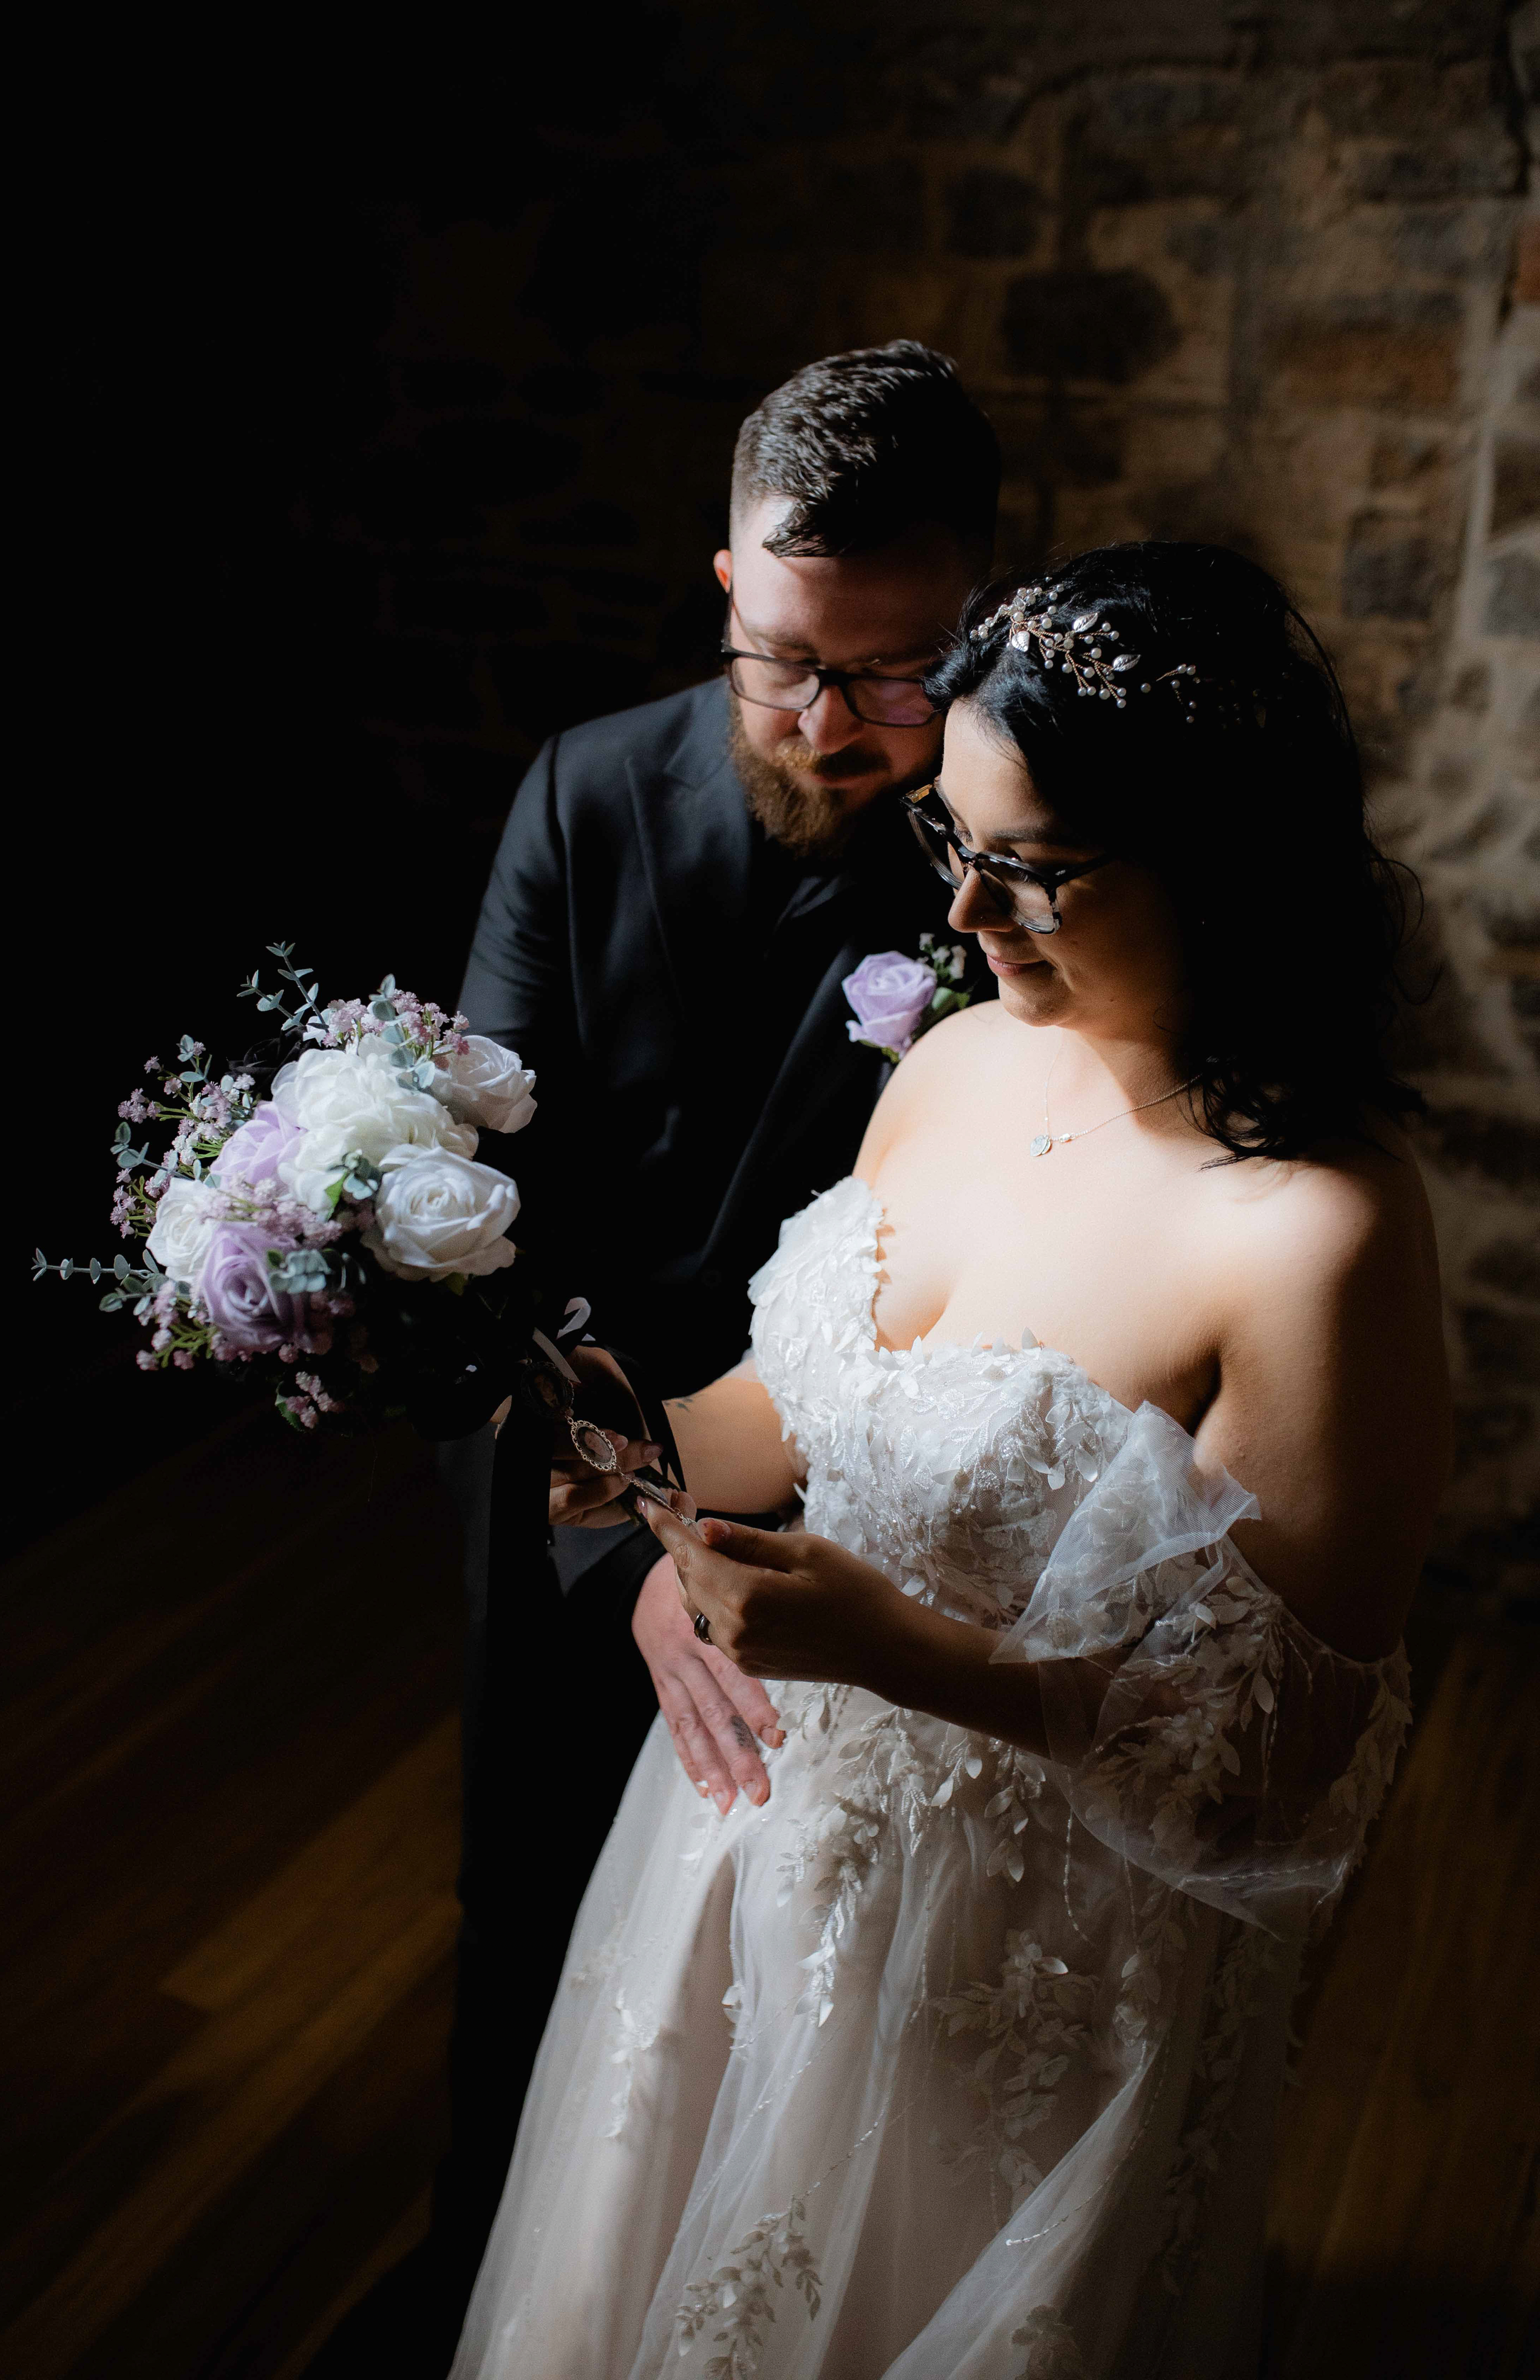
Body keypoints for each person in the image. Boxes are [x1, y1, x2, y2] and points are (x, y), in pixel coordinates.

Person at [450, 541, 1451, 2378]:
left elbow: (1281, 1773)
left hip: (1028, 1961)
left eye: (1037, 867)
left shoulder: (1322, 1234)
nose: (975, 914)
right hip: (743, 1849)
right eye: (954, 845)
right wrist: (607, 1437)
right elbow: (799, 1404)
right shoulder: (954, 1066)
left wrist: (902, 1656)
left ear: (1221, 862)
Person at [304, 343, 1000, 2377]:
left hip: (845, 1494)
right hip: (564, 1466)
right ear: (725, 579)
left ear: (966, 625)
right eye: (787, 658)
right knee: (522, 1908)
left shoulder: (999, 866)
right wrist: (632, 1537)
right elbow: (484, 1219)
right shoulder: (587, 789)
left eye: (895, 676)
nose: (834, 724)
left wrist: (752, 1526)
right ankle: (480, 2300)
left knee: (781, 1968)